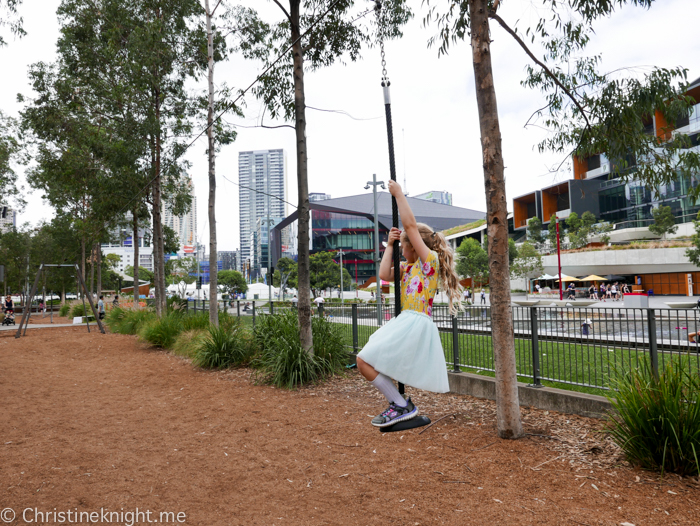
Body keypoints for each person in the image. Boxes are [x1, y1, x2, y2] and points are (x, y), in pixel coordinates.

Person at [355, 180, 461, 428]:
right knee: (364, 361)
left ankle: (401, 405)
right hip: (406, 320)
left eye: (403, 244)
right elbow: (383, 274)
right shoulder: (407, 268)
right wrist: (389, 245)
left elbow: (411, 225)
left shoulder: (429, 263)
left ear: (414, 245)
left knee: (364, 360)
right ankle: (399, 404)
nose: (402, 248)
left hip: (415, 320)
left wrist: (399, 194)